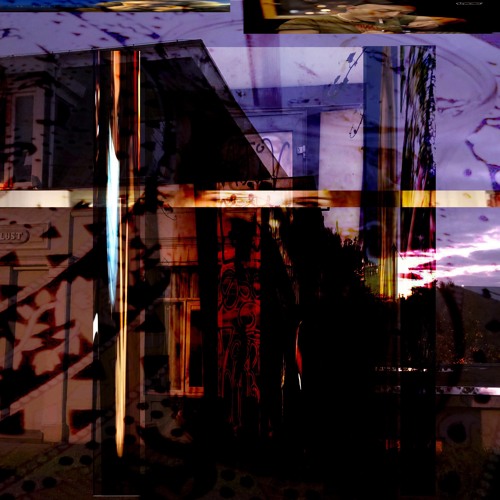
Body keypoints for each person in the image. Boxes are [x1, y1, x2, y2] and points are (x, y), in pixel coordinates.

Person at [277, 3, 465, 34]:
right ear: (352, 8)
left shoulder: (391, 19)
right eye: (381, 10)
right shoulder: (305, 22)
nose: (390, 15)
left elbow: (439, 20)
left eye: (395, 13)